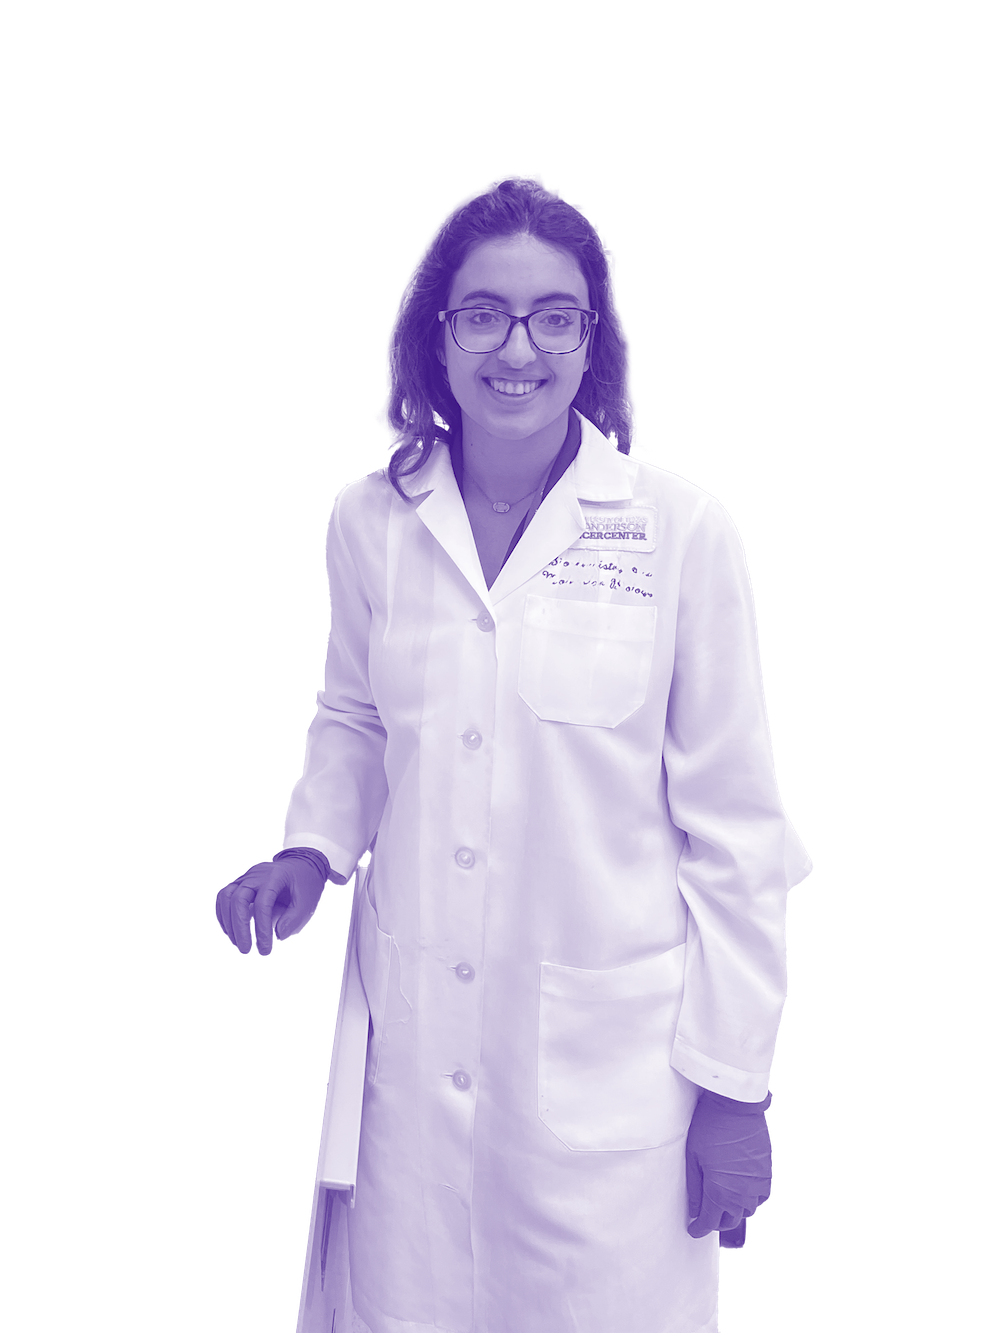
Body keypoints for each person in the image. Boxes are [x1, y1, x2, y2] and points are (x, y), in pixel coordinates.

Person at [214, 172, 814, 1333]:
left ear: (594, 339)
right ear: (436, 332)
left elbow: (738, 838)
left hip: (611, 1091)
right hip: (411, 1079)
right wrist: (313, 847)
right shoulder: (370, 521)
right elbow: (358, 716)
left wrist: (734, 1088)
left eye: (554, 317)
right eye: (484, 314)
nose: (518, 350)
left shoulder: (680, 534)